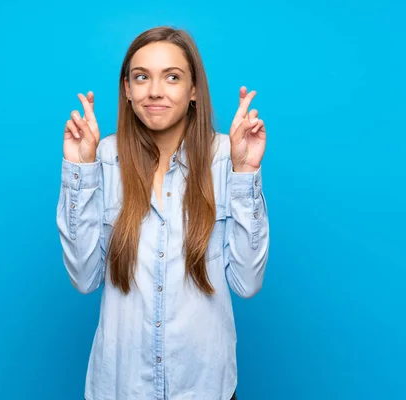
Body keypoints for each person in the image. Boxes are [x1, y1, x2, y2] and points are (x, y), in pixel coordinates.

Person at [57, 26, 269, 400]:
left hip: (205, 387)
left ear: (193, 91)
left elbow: (247, 283)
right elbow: (84, 278)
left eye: (172, 77)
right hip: (120, 387)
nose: (154, 90)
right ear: (127, 89)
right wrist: (80, 171)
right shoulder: (103, 158)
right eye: (141, 77)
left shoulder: (227, 156)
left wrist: (245, 173)